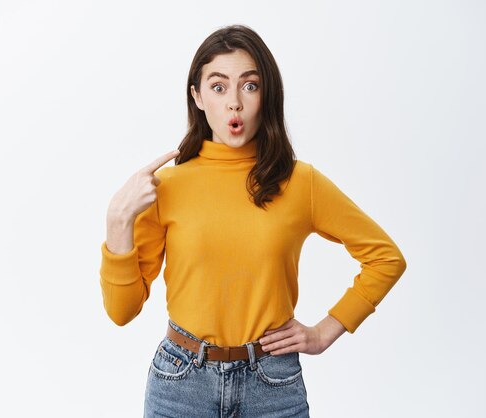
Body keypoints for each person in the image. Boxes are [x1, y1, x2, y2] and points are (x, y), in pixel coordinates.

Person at [99, 24, 407, 417]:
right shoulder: (167, 187)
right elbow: (121, 312)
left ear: (267, 95)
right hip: (181, 384)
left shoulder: (300, 182)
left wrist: (326, 331)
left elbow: (386, 257)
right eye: (218, 86)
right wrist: (117, 221)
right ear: (196, 96)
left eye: (249, 86)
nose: (234, 103)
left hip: (272, 384)